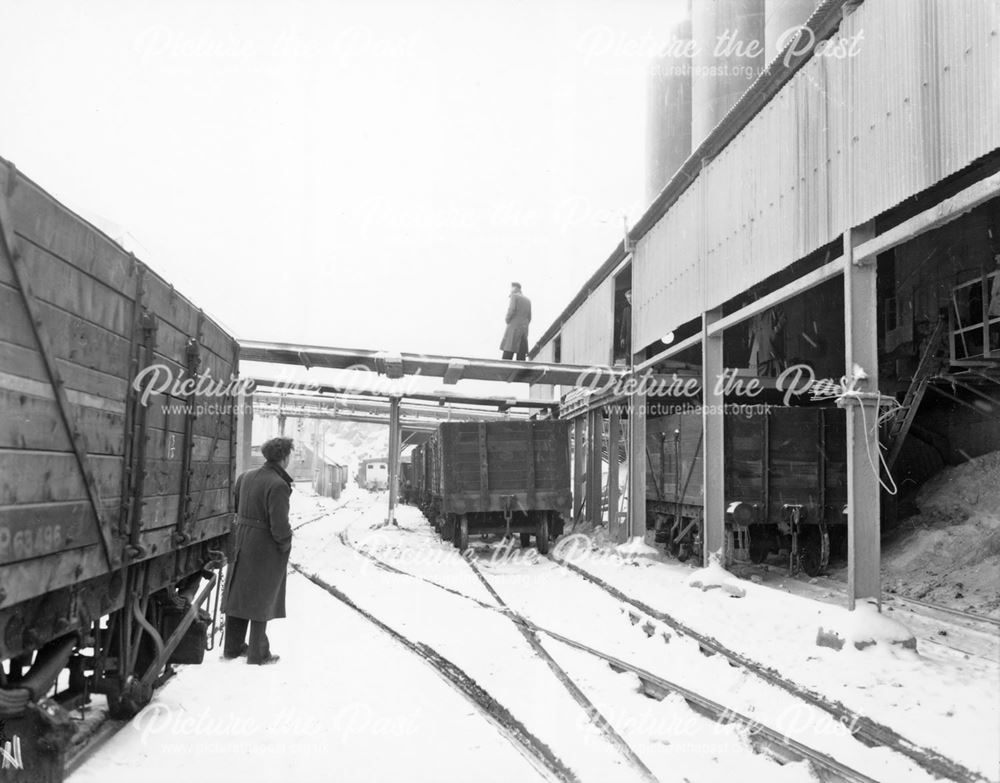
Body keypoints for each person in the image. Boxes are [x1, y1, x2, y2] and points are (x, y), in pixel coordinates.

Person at [222, 436, 294, 665]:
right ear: (284, 458)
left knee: (238, 595)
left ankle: (232, 648)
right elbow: (279, 526)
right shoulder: (278, 485)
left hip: (241, 541)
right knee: (261, 599)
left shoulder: (245, 477)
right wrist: (285, 544)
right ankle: (258, 653)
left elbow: (234, 508)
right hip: (264, 547)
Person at [500, 282, 531, 360]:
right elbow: (529, 317)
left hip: (513, 328)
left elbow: (511, 310)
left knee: (507, 353)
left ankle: (505, 370)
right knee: (521, 355)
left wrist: (507, 320)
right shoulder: (528, 300)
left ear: (514, 288)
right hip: (524, 329)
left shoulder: (514, 296)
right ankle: (520, 371)